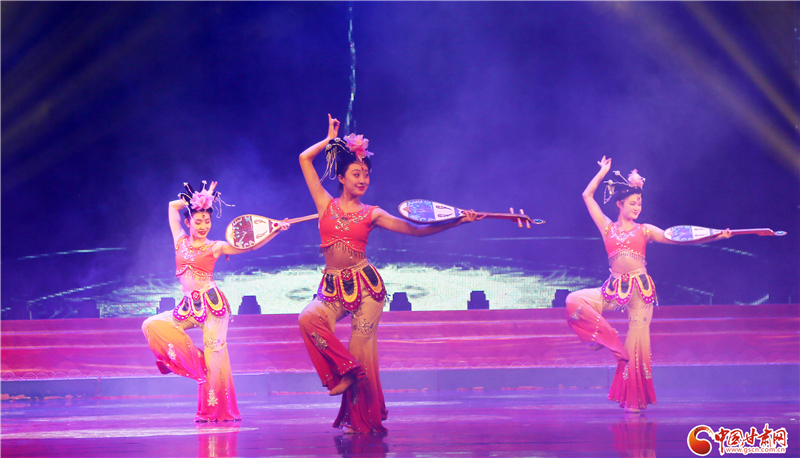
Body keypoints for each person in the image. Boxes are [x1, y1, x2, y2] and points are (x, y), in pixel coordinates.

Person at [298, 115, 482, 434]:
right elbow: (304, 159)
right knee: (307, 318)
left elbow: (416, 230)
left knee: (361, 352)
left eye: (366, 174)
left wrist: (457, 220)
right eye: (356, 174)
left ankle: (362, 421)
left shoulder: (373, 214)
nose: (363, 179)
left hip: (366, 290)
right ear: (341, 177)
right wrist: (329, 140)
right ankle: (344, 371)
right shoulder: (324, 203)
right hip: (331, 287)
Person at [565, 157, 730, 412]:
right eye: (632, 203)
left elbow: (677, 238)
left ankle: (633, 402)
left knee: (636, 348)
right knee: (574, 300)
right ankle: (606, 337)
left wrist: (716, 235)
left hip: (640, 293)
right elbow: (587, 196)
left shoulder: (645, 230)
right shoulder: (607, 228)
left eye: (639, 204)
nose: (637, 208)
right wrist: (602, 172)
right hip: (613, 288)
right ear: (619, 204)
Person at [142, 181, 288, 422]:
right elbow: (172, 206)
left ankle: (211, 412)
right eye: (198, 221)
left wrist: (275, 230)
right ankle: (196, 364)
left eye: (207, 221)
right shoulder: (179, 240)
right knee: (151, 324)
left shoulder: (216, 247)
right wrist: (196, 201)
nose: (203, 226)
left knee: (215, 358)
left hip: (213, 308)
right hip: (187, 306)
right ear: (188, 222)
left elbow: (249, 247)